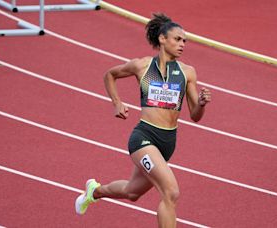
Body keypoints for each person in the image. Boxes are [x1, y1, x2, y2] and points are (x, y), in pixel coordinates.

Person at [75, 13, 211, 228]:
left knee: (132, 192)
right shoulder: (143, 66)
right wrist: (117, 102)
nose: (182, 44)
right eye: (177, 39)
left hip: (168, 142)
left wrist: (201, 104)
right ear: (162, 39)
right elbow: (110, 75)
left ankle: (95, 191)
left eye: (185, 41)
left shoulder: (187, 73)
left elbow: (195, 116)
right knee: (171, 192)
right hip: (144, 138)